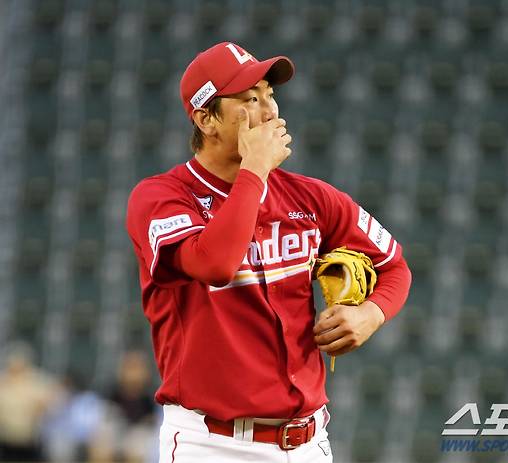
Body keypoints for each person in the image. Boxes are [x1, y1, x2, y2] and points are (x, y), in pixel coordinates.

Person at [125, 41, 411, 462]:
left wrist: (371, 313)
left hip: (309, 441)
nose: (270, 111)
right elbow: (215, 264)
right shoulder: (161, 198)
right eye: (248, 99)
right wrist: (254, 170)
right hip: (213, 445)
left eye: (269, 95)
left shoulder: (311, 198)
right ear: (206, 119)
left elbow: (395, 266)